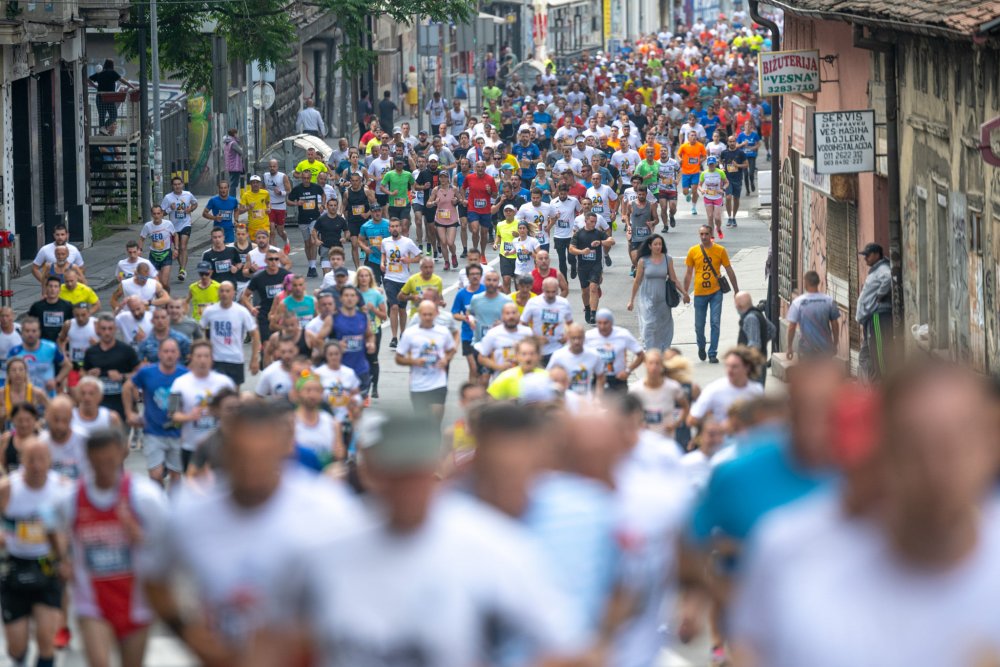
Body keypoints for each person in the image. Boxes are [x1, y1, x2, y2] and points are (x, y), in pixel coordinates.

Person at [729, 362, 1000, 667]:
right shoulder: (804, 574)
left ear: (991, 446)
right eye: (915, 447)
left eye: (955, 445)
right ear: (885, 453)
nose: (936, 468)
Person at [44, 428, 167, 667]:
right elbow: (49, 523)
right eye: (97, 461)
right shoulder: (72, 498)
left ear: (122, 454)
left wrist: (142, 538)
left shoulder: (144, 496)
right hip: (91, 602)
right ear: (87, 458)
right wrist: (61, 559)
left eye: (109, 460)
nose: (103, 468)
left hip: (136, 601)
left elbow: (170, 544)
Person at [0, 437, 68, 667]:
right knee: (16, 647)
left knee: (46, 640)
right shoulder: (7, 489)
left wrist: (66, 558)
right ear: (21, 461)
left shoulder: (63, 488)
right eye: (31, 460)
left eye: (41, 459)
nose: (37, 466)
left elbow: (74, 527)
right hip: (14, 565)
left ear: (50, 460)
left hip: (47, 565)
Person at [123, 337, 187, 486]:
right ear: (159, 353)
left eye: (173, 351)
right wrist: (129, 413)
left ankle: (173, 501)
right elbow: (127, 387)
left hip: (177, 432)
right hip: (153, 431)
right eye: (166, 351)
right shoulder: (147, 372)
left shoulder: (185, 374)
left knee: (176, 476)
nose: (169, 355)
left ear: (178, 354)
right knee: (155, 475)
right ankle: (158, 500)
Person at [166, 340, 235, 473]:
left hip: (220, 446)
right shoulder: (179, 383)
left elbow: (236, 413)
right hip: (191, 447)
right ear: (191, 358)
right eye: (198, 356)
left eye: (206, 356)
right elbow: (172, 413)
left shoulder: (225, 383)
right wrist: (189, 416)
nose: (202, 360)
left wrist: (218, 412)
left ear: (212, 358)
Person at [683, 225, 739, 363]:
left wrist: (736, 290)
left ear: (711, 234)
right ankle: (701, 346)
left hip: (716, 292)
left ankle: (712, 352)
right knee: (699, 326)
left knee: (715, 322)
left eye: (706, 234)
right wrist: (685, 292)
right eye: (701, 234)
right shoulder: (693, 251)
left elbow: (729, 269)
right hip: (699, 293)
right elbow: (689, 273)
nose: (704, 237)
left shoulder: (720, 250)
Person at [395, 301, 456, 422]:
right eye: (424, 314)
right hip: (418, 384)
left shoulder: (443, 332)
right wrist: (414, 361)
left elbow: (451, 349)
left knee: (435, 420)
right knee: (422, 422)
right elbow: (398, 358)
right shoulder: (410, 333)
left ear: (435, 314)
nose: (427, 317)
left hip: (438, 382)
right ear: (419, 315)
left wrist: (446, 359)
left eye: (430, 314)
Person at [627, 234, 689, 352]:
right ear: (650, 246)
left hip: (663, 300)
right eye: (655, 244)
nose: (658, 246)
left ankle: (663, 350)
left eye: (660, 244)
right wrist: (631, 300)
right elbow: (637, 281)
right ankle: (649, 351)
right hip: (646, 298)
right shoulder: (643, 261)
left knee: (664, 327)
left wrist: (685, 293)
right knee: (649, 325)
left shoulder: (667, 259)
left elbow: (674, 279)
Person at [688, 346, 765, 428]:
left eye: (734, 367)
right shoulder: (714, 389)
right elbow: (692, 419)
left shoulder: (756, 390)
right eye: (727, 366)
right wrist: (716, 425)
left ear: (747, 367)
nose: (729, 370)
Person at [201, 282, 260, 387]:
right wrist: (203, 354)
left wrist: (254, 358)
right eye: (222, 291)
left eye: (228, 291)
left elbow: (255, 333)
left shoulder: (241, 312)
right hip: (216, 359)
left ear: (233, 293)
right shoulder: (210, 311)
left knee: (234, 392)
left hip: (235, 358)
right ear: (218, 293)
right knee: (217, 391)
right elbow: (200, 330)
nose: (224, 294)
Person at [82, 314, 138, 419]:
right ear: (98, 330)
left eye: (110, 328)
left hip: (122, 406)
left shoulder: (127, 350)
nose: (107, 332)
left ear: (115, 329)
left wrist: (122, 376)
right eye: (103, 329)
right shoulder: (91, 352)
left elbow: (138, 374)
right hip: (98, 407)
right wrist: (89, 375)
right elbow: (83, 373)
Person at [380, 219, 422, 348]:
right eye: (392, 226)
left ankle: (402, 333)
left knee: (402, 309)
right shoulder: (385, 241)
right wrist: (382, 263)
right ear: (389, 229)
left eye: (397, 226)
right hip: (389, 278)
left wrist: (409, 260)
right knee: (394, 307)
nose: (394, 228)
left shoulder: (407, 242)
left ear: (400, 228)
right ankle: (394, 337)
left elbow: (419, 256)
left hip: (404, 279)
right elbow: (383, 254)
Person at [856, 242, 894, 381]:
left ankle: (883, 383)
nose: (865, 258)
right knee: (867, 354)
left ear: (877, 255)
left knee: (879, 353)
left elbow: (889, 277)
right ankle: (873, 384)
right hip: (870, 318)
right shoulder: (876, 270)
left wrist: (880, 294)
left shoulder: (882, 268)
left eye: (868, 255)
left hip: (878, 316)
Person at [569, 212, 614, 324]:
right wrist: (582, 252)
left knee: (593, 288)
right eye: (592, 221)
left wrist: (601, 242)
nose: (594, 224)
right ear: (586, 221)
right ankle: (588, 308)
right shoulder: (578, 234)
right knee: (585, 291)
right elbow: (571, 249)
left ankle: (594, 314)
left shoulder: (598, 233)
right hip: (583, 266)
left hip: (596, 265)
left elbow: (612, 241)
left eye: (595, 222)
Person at [585, 309, 644, 393]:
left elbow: (641, 355)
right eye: (599, 323)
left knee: (620, 401)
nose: (602, 326)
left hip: (618, 379)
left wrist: (628, 371)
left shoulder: (623, 334)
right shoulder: (589, 336)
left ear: (611, 323)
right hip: (598, 378)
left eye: (605, 323)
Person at [786, 270, 841, 359]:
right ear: (818, 283)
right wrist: (835, 343)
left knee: (807, 369)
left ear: (805, 284)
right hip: (825, 348)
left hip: (806, 349)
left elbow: (792, 327)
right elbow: (835, 324)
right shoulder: (829, 301)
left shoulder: (798, 303)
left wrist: (789, 347)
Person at [8, 318, 70, 396]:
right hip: (23, 398)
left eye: (34, 331)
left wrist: (56, 381)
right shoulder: (15, 352)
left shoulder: (50, 348)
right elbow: (8, 373)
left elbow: (68, 366)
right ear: (22, 333)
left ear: (39, 332)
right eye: (27, 331)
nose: (30, 334)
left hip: (47, 396)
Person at [520, 277, 573, 366]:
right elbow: (522, 324)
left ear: (557, 290)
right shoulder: (533, 302)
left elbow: (570, 323)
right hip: (538, 350)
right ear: (543, 289)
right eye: (548, 292)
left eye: (553, 292)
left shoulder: (564, 303)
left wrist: (567, 336)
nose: (550, 295)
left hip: (558, 348)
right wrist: (534, 337)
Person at [241, 248, 290, 344]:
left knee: (283, 344)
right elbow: (245, 296)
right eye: (270, 259)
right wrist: (252, 308)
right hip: (264, 314)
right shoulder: (259, 278)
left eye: (276, 259)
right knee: (267, 344)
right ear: (265, 261)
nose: (273, 262)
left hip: (283, 314)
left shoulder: (286, 275)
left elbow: (296, 292)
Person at [546, 323, 603, 399]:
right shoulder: (558, 356)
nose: (577, 341)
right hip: (566, 401)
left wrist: (598, 397)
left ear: (584, 337)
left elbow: (601, 376)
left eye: (580, 338)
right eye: (573, 338)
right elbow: (548, 376)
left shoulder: (594, 355)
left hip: (586, 400)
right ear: (568, 338)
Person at [161, 177, 199, 282]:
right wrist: (170, 209)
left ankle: (182, 270)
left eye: (179, 184)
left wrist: (191, 209)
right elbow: (161, 213)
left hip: (186, 224)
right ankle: (182, 267)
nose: (177, 186)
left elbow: (195, 203)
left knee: (183, 246)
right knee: (177, 248)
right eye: (175, 184)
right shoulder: (168, 197)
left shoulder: (188, 194)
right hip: (173, 227)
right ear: (172, 186)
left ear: (182, 184)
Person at [735, 291, 776, 385]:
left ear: (740, 306)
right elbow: (772, 330)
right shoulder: (757, 313)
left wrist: (747, 366)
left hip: (753, 366)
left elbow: (754, 345)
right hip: (760, 361)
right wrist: (763, 339)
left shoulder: (750, 318)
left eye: (736, 305)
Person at [138, 205, 178, 288]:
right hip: (154, 255)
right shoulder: (148, 226)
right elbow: (142, 238)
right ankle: (160, 295)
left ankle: (166, 295)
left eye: (158, 213)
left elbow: (175, 235)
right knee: (156, 284)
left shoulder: (168, 224)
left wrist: (176, 248)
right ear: (152, 214)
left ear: (162, 214)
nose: (156, 216)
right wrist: (140, 250)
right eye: (154, 214)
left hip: (166, 254)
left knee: (164, 282)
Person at [88, 59, 135, 127]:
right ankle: (105, 127)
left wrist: (95, 86)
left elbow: (88, 79)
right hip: (109, 98)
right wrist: (133, 87)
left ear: (105, 64)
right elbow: (123, 80)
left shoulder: (100, 73)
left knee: (101, 116)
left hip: (100, 97)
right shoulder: (112, 72)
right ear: (112, 65)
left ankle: (102, 130)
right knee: (113, 116)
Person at [28, 277, 75, 342]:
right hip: (43, 343)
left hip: (61, 343)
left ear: (59, 289)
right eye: (50, 286)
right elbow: (30, 325)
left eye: (56, 286)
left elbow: (73, 326)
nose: (53, 289)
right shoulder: (37, 307)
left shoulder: (67, 306)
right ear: (46, 288)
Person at [720, 135, 748, 228]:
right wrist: (721, 168)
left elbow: (746, 165)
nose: (732, 143)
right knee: (728, 197)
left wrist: (737, 165)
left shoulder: (740, 153)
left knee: (736, 198)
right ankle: (729, 217)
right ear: (727, 142)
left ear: (735, 142)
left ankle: (734, 217)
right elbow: (720, 162)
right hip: (727, 179)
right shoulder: (724, 152)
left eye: (733, 141)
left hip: (737, 178)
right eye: (730, 141)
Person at [678, 130, 707, 216]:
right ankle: (688, 193)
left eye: (695, 135)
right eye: (692, 135)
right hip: (685, 172)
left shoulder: (700, 145)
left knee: (694, 190)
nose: (694, 137)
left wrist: (700, 161)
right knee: (685, 192)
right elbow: (678, 154)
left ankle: (693, 207)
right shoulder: (684, 146)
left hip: (695, 172)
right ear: (688, 137)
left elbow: (705, 156)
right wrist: (680, 159)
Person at [238, 175, 272, 245]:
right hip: (253, 226)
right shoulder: (246, 195)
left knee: (265, 245)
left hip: (264, 224)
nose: (255, 184)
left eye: (257, 182)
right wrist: (248, 207)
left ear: (260, 184)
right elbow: (239, 211)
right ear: (250, 184)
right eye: (253, 182)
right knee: (255, 246)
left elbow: (268, 202)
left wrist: (269, 208)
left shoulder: (265, 193)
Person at [223, 129, 245, 194]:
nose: (237, 135)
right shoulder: (233, 143)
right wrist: (239, 143)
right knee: (234, 184)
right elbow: (241, 152)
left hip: (230, 165)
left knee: (232, 182)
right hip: (235, 166)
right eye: (236, 133)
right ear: (234, 134)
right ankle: (232, 197)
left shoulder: (227, 143)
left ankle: (232, 197)